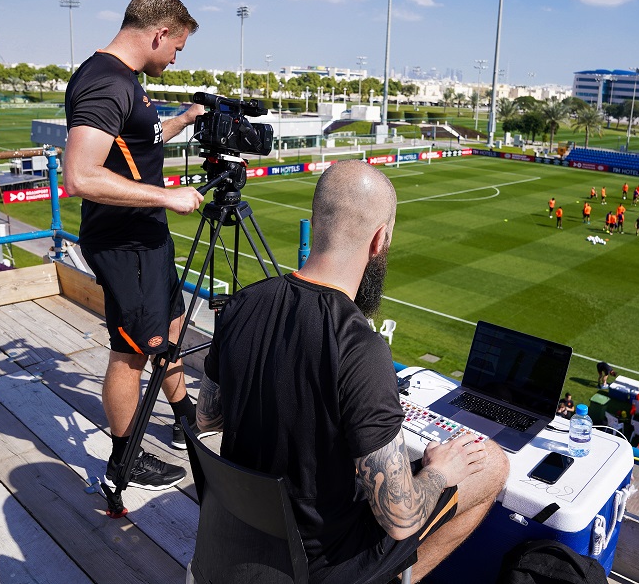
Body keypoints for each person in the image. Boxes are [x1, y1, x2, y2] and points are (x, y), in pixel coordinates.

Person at [196, 160, 509, 583]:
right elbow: (401, 519)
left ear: (315, 222)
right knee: (491, 464)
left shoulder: (240, 304)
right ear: (380, 240)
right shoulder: (359, 347)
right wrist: (439, 471)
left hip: (239, 536)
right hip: (319, 565)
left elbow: (207, 418)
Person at [64, 0, 205, 490]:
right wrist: (168, 198)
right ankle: (124, 460)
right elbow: (79, 175)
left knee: (168, 327)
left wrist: (183, 121)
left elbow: (135, 144)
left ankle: (186, 415)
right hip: (125, 244)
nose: (174, 57)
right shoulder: (107, 82)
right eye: (177, 48)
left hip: (147, 238)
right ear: (160, 33)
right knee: (131, 353)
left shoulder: (123, 79)